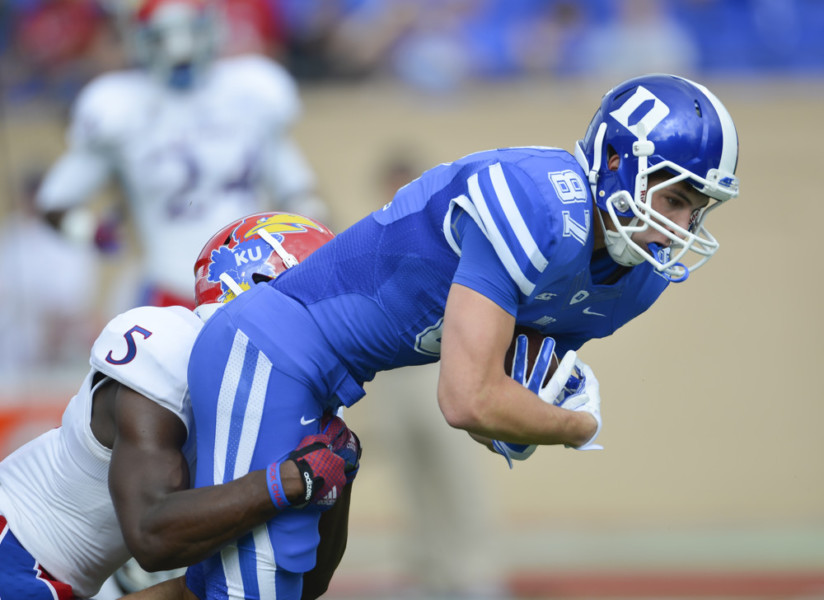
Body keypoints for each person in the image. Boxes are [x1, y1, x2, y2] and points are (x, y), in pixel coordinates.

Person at [185, 73, 740, 600]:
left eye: (695, 209)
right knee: (252, 582)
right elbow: (467, 399)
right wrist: (577, 425)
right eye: (672, 199)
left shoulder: (636, 281)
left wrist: (524, 423)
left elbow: (496, 411)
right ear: (615, 161)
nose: (680, 227)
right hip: (269, 350)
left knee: (277, 580)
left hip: (320, 380)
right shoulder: (540, 199)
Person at [0, 212, 359, 600]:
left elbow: (302, 583)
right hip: (14, 550)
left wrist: (336, 479)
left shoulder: (300, 394)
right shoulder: (171, 349)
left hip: (62, 579)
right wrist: (290, 480)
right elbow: (152, 538)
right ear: (261, 288)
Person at [35, 0, 328, 312]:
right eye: (163, 38)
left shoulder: (250, 90)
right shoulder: (118, 104)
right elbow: (54, 203)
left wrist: (316, 251)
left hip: (254, 282)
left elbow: (299, 193)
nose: (181, 51)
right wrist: (93, 233)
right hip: (169, 288)